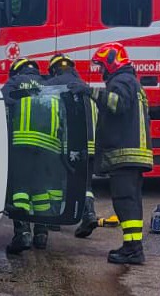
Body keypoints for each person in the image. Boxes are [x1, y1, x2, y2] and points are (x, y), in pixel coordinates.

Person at [90, 42, 152, 265]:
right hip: (134, 156)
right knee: (131, 201)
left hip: (125, 155)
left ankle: (133, 249)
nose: (100, 72)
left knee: (125, 201)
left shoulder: (122, 81)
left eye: (101, 66)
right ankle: (132, 247)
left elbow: (117, 104)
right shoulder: (132, 82)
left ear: (111, 62)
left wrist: (92, 92)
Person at [1, 57, 61, 253]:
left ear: (16, 71)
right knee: (41, 190)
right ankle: (41, 234)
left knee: (20, 190)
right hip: (48, 147)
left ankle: (23, 233)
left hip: (22, 143)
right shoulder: (47, 84)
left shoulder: (14, 82)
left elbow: (2, 103)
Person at [45, 53, 99, 238]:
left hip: (69, 144)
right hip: (91, 145)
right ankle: (89, 213)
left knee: (60, 182)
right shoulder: (84, 85)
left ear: (54, 69)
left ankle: (55, 219)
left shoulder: (54, 85)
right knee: (86, 183)